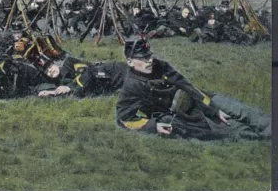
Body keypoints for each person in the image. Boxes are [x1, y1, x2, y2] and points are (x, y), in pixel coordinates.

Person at [115, 36, 270, 141]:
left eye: (149, 56)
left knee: (244, 111)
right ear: (129, 62)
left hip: (199, 98)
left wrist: (213, 110)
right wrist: (153, 125)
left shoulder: (160, 65)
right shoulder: (132, 86)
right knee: (240, 131)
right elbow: (124, 118)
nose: (149, 61)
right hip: (185, 117)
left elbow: (186, 85)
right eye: (142, 58)